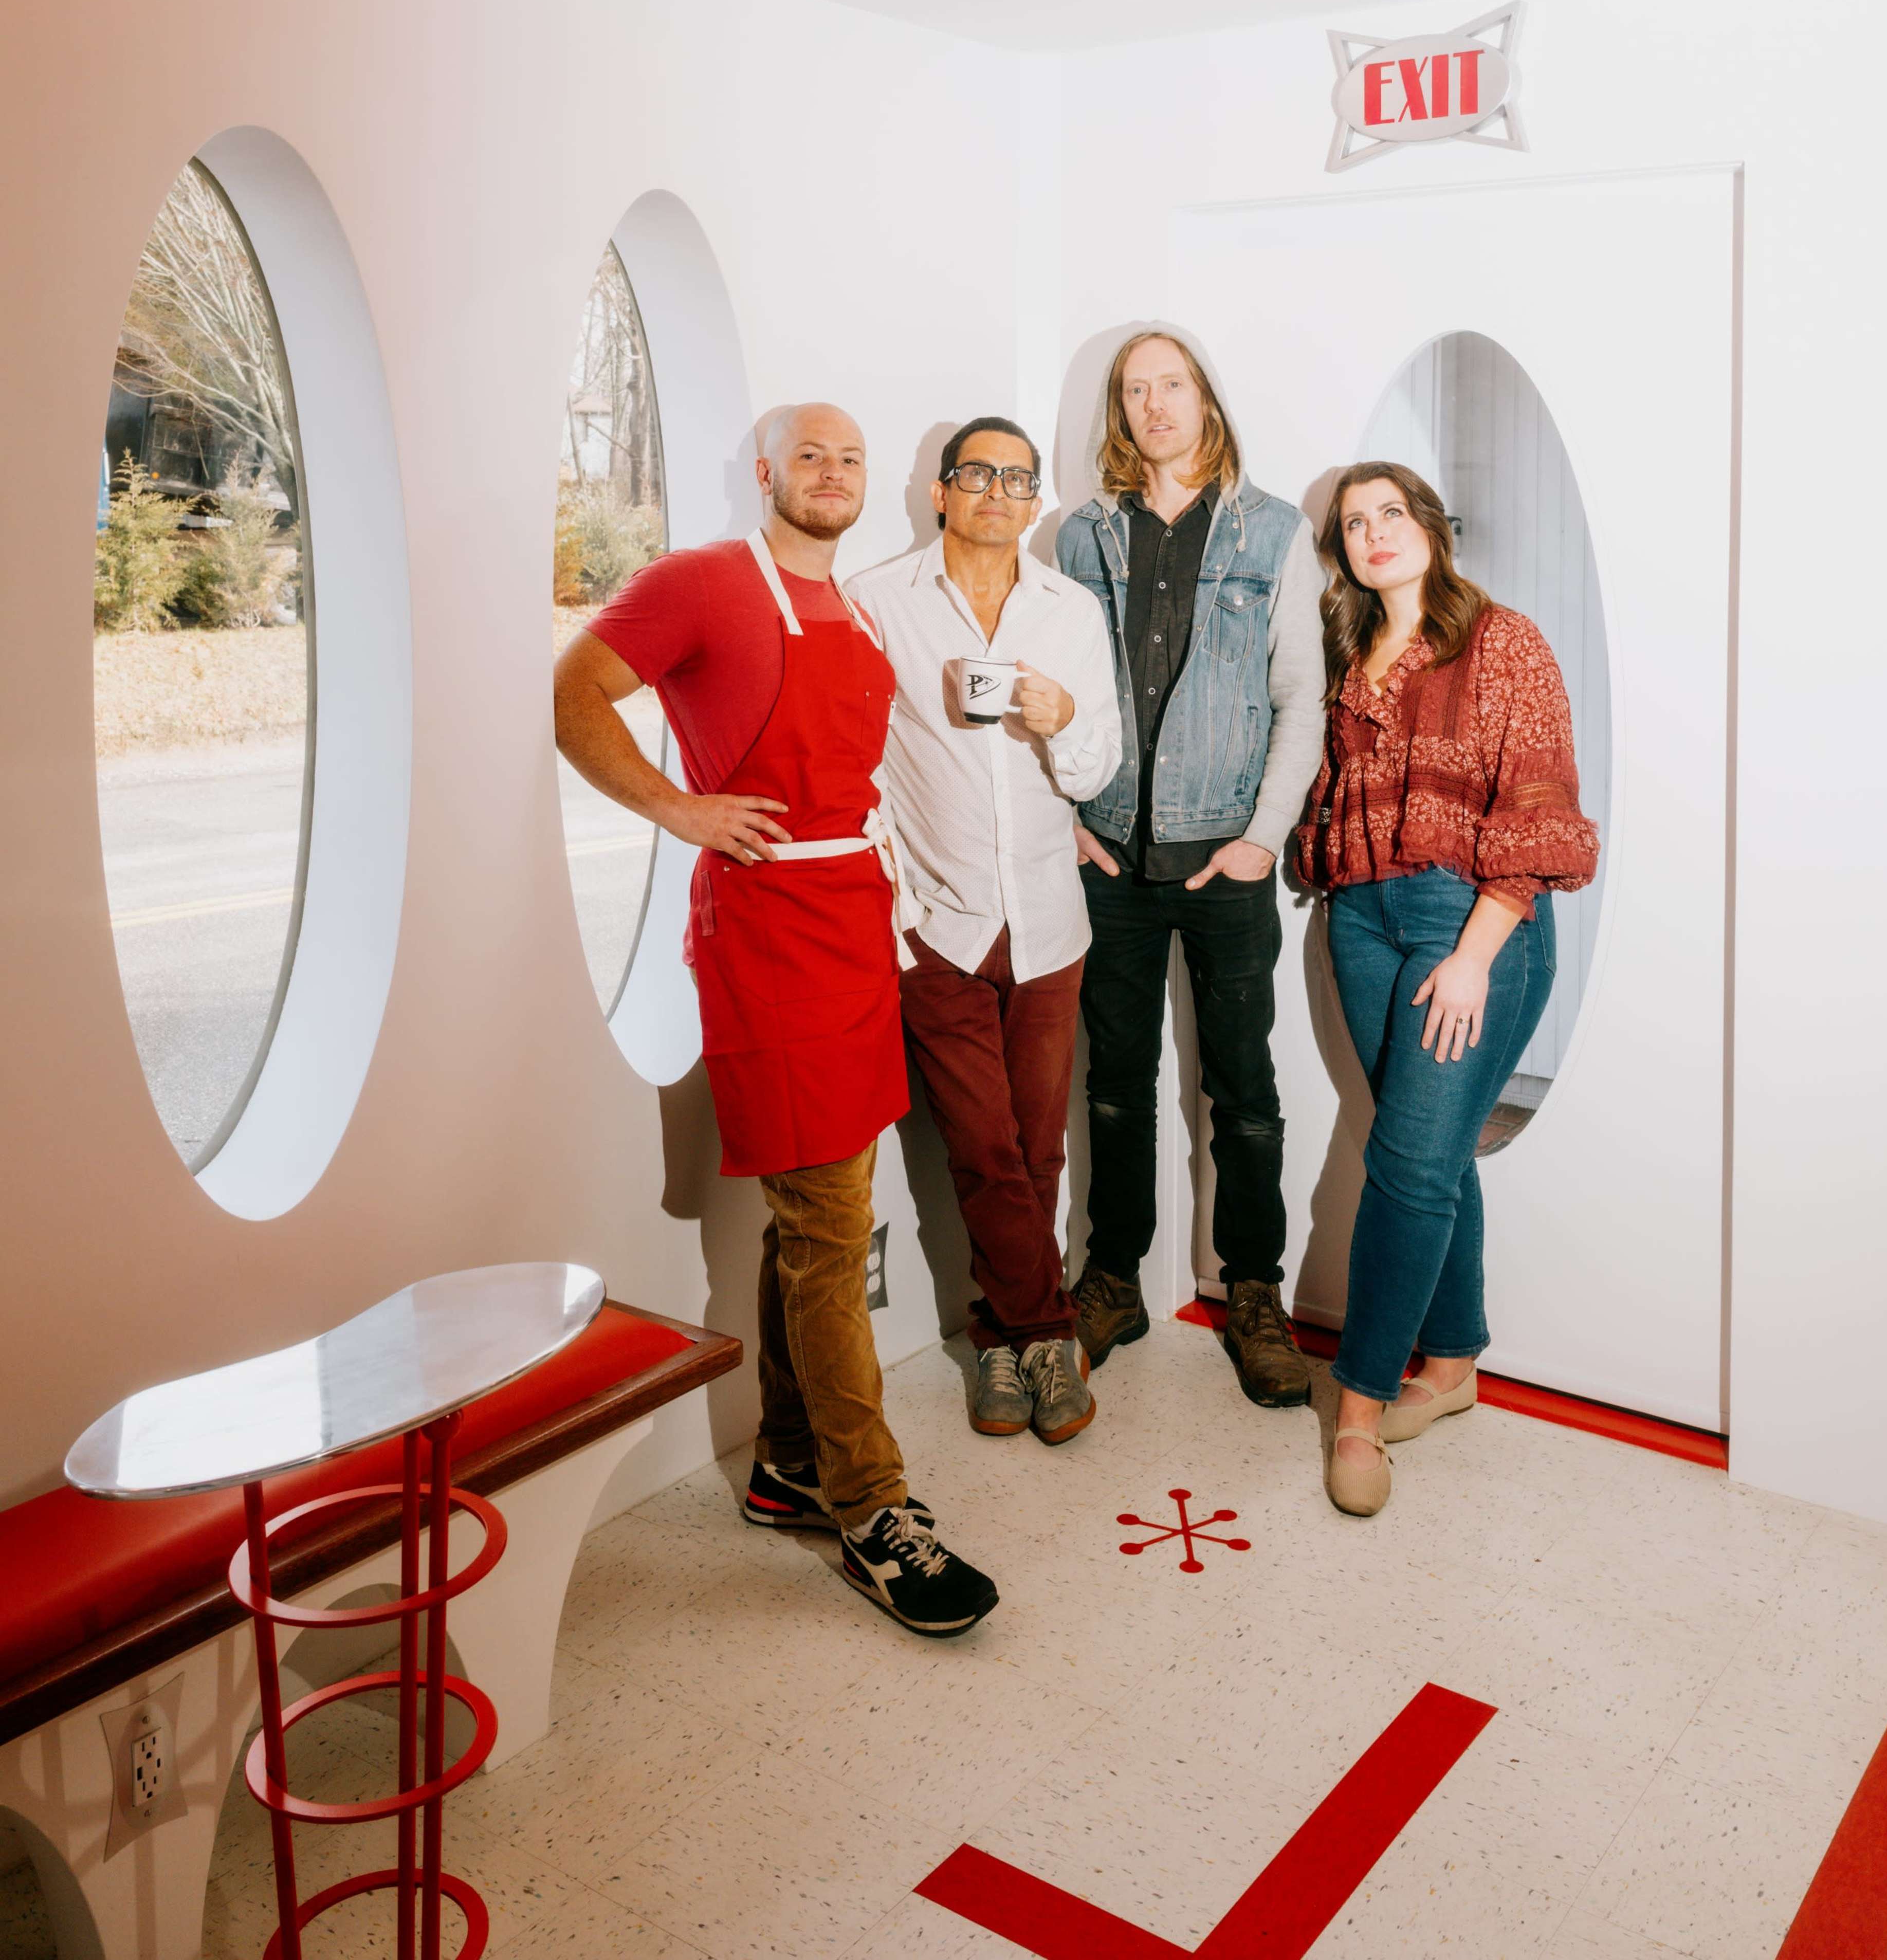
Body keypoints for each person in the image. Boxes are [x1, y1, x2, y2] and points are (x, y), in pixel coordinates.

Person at [553, 402, 998, 1637]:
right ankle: (872, 1512)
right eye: (809, 454)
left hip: (852, 920)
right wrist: (679, 809)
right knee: (828, 1225)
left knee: (818, 1216)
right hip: (762, 933)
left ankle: (788, 1461)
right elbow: (572, 690)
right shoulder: (701, 582)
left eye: (850, 457)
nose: (833, 473)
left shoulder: (852, 608)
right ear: (761, 473)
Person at [1293, 464, 1599, 1518]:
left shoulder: (1501, 639)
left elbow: (1541, 796)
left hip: (1468, 919)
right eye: (1353, 523)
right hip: (1362, 920)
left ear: (1430, 526)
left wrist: (1471, 955)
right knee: (1429, 1146)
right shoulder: (1349, 651)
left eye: (1392, 513)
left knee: (1409, 1160)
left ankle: (1363, 1403)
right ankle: (1456, 1362)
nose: (1375, 533)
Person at [1055, 333, 1326, 1407]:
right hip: (1110, 853)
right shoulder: (1081, 536)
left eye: (1173, 385)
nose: (1155, 404)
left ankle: (1253, 1292)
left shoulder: (1275, 531)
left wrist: (1264, 832)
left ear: (1206, 400)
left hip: (1230, 856)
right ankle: (1114, 1278)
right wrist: (1067, 812)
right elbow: (1051, 681)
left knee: (1244, 1090)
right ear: (1121, 414)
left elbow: (1301, 692)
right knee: (1115, 1087)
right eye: (1137, 390)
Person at [849, 417, 1121, 1444]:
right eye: (980, 475)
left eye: (1020, 478)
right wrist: (888, 887)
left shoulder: (1071, 611)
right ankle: (1050, 1337)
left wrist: (1060, 718)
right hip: (936, 921)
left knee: (1038, 1147)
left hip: (1050, 917)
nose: (1000, 492)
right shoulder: (878, 602)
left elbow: (1097, 770)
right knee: (983, 1146)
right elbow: (858, 756)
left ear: (1036, 499)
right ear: (942, 492)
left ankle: (1001, 1340)